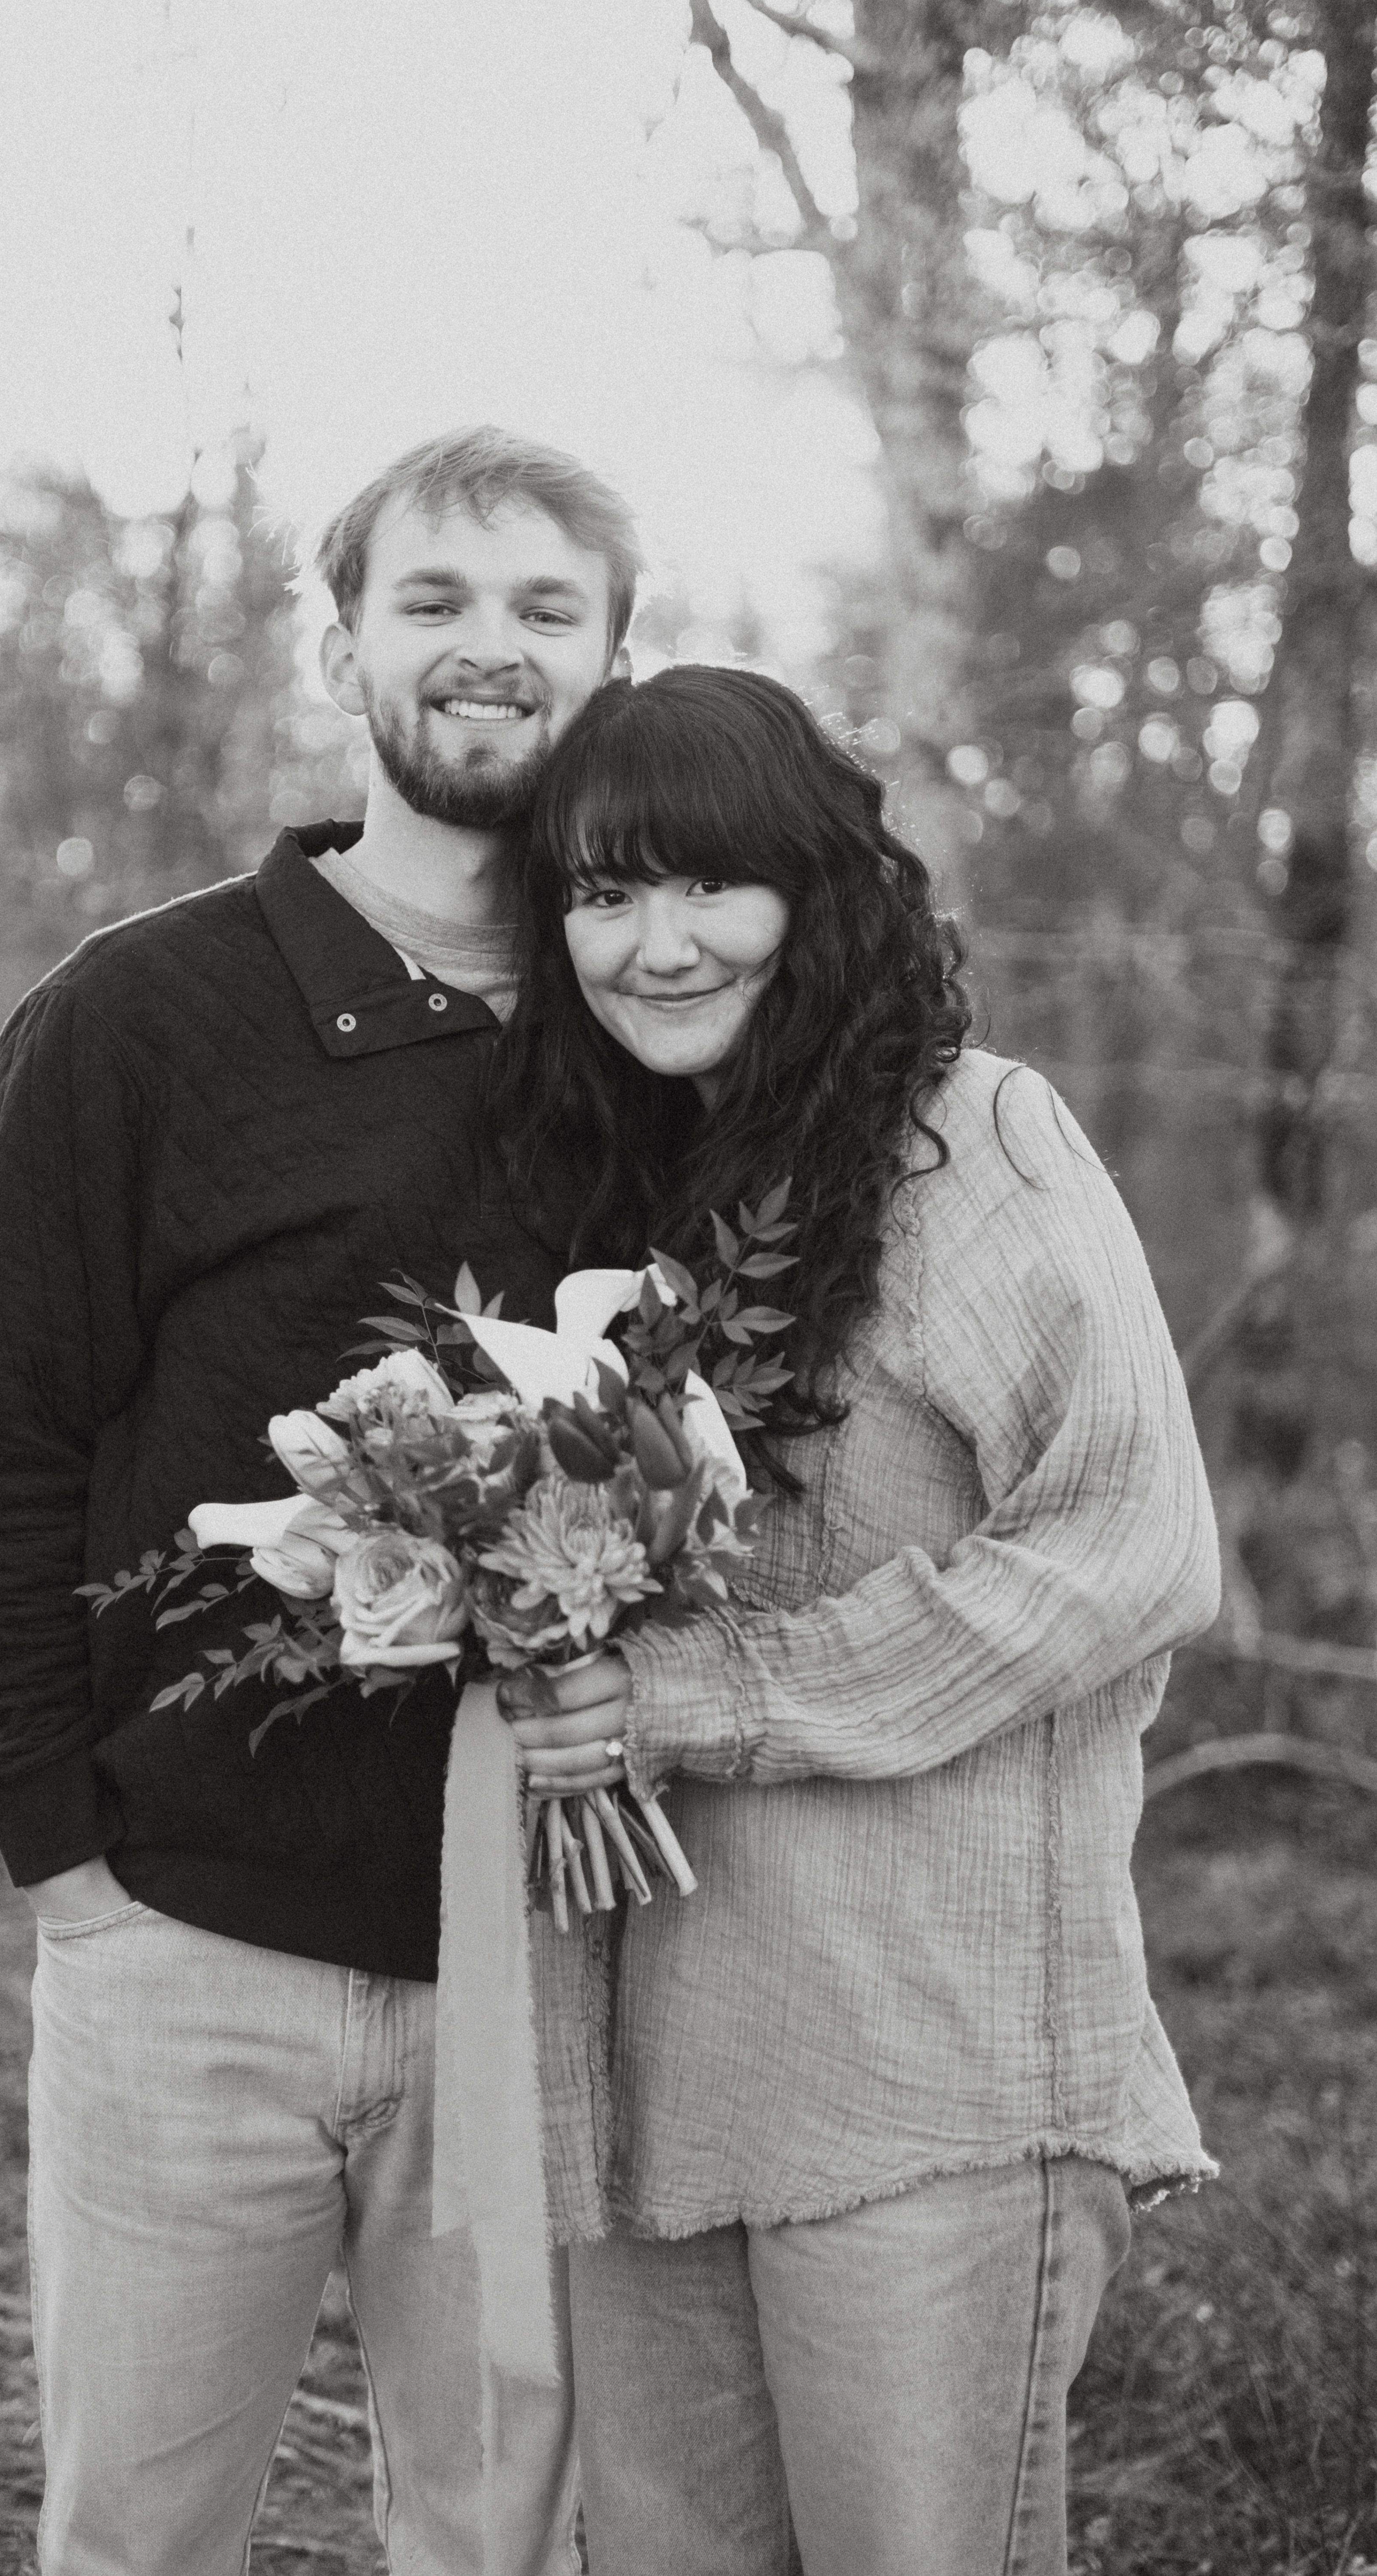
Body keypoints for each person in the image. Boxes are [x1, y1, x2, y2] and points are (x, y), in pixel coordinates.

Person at [0, 426, 639, 2576]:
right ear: (345, 647)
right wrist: (64, 1858)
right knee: (140, 2535)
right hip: (188, 1936)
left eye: (542, 611)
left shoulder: (661, 1025)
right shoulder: (145, 1015)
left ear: (612, 663)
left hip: (559, 1953)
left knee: (505, 2540)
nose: (487, 651)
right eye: (434, 601)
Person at [487, 664, 1221, 2576]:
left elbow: (1126, 1546)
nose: (651, 945)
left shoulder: (972, 1145)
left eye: (706, 886)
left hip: (925, 2072)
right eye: (598, 893)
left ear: (820, 887)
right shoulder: (638, 1193)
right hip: (653, 2070)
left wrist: (701, 1694)